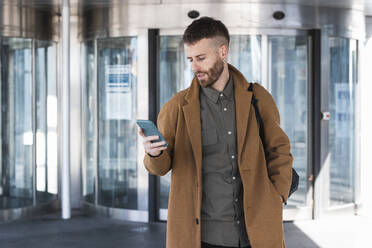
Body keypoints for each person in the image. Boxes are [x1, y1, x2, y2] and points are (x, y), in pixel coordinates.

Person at [139, 16, 293, 248]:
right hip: (202, 237)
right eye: (190, 59)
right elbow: (160, 168)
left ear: (223, 52)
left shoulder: (259, 99)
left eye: (201, 58)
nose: (194, 67)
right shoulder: (177, 107)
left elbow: (279, 150)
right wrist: (153, 154)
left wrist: (278, 195)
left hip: (256, 233)